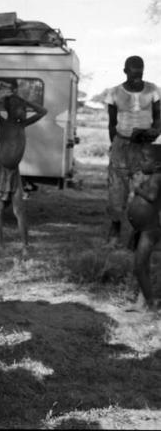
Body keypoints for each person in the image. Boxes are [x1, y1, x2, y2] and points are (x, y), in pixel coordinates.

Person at [105, 56, 160, 247]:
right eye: (134, 74)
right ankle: (115, 231)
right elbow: (111, 124)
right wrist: (116, 144)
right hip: (121, 145)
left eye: (141, 74)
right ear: (125, 71)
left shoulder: (153, 90)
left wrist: (154, 131)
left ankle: (138, 235)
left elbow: (159, 117)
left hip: (144, 147)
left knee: (143, 191)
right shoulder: (114, 93)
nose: (138, 78)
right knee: (116, 191)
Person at [0, 80, 47, 248]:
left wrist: (24, 100)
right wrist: (5, 97)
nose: (25, 112)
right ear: (11, 111)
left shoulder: (23, 125)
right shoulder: (2, 123)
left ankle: (25, 246)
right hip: (0, 170)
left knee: (19, 210)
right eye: (21, 109)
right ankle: (0, 245)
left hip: (14, 171)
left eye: (25, 109)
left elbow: (43, 111)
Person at [127, 143, 161, 311]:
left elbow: (152, 196)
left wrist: (138, 189)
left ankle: (151, 304)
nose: (141, 162)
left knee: (140, 266)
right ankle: (142, 302)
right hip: (143, 228)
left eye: (145, 159)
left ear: (157, 165)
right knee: (143, 265)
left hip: (149, 230)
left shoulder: (157, 177)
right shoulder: (152, 176)